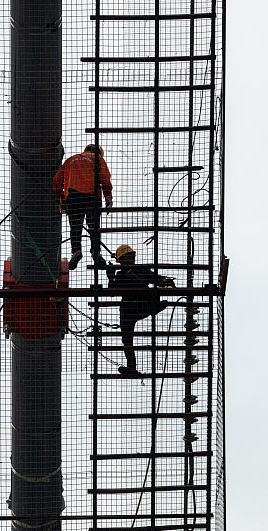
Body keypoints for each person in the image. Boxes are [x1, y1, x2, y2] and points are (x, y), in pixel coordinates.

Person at [106, 244, 176, 376]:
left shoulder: (137, 271)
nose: (131, 258)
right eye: (129, 256)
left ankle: (154, 307)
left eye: (131, 256)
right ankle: (131, 367)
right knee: (126, 339)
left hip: (133, 308)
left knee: (127, 339)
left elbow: (154, 278)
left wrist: (164, 280)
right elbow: (112, 291)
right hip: (133, 309)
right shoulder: (126, 274)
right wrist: (111, 275)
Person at [52, 143, 112, 270]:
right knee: (94, 227)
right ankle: (95, 252)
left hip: (74, 196)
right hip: (93, 196)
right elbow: (105, 178)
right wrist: (108, 197)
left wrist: (63, 200)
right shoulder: (97, 158)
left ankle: (76, 251)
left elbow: (57, 181)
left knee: (75, 226)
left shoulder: (71, 160)